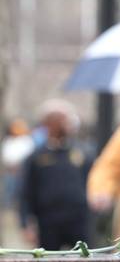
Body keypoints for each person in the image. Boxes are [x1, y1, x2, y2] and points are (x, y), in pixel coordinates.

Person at [19, 101, 93, 249]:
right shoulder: (36, 157)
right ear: (49, 123)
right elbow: (26, 192)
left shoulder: (82, 152)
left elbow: (91, 181)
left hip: (78, 220)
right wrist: (25, 223)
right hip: (48, 222)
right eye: (62, 119)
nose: (68, 123)